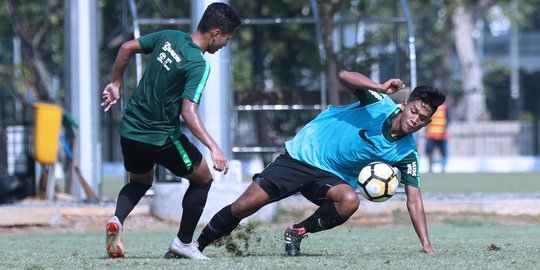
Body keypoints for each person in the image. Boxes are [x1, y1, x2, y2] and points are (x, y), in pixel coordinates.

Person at [195, 70, 443, 256]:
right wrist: (378, 86)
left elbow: (414, 200)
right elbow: (344, 75)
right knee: (243, 206)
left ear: (427, 122)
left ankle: (297, 231)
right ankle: (195, 245)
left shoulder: (406, 154)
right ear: (404, 105)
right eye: (414, 111)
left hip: (330, 179)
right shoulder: (378, 104)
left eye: (422, 118)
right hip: (301, 157)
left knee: (349, 201)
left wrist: (426, 245)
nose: (415, 120)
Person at [101, 2, 241, 260]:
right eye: (227, 39)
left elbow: (126, 48)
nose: (224, 45)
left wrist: (116, 83)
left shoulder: (169, 36)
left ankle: (116, 220)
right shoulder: (198, 64)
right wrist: (214, 147)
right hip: (160, 137)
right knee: (203, 178)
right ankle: (183, 243)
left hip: (130, 130)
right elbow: (189, 112)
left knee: (140, 181)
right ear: (216, 33)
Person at [424, 101, 449, 172]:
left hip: (442, 134)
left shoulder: (445, 107)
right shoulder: (429, 106)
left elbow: (448, 118)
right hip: (431, 133)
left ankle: (443, 168)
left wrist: (445, 128)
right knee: (429, 150)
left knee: (443, 151)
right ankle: (430, 167)